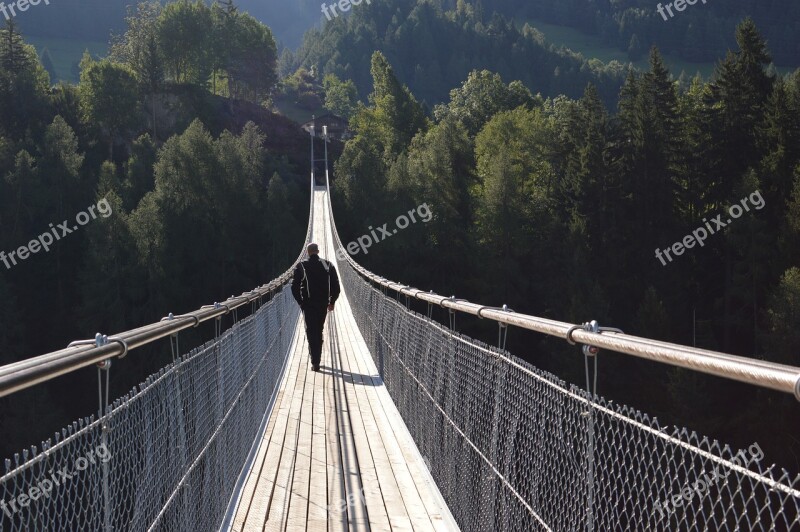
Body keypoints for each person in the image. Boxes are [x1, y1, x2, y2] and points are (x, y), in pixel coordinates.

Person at [291, 243, 340, 371]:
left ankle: (315, 362)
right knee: (319, 330)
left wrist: (301, 302)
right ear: (318, 251)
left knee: (311, 332)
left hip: (308, 304)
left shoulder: (302, 265)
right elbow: (336, 286)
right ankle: (317, 359)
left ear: (307, 252)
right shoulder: (327, 265)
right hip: (323, 304)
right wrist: (332, 301)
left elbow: (294, 287)